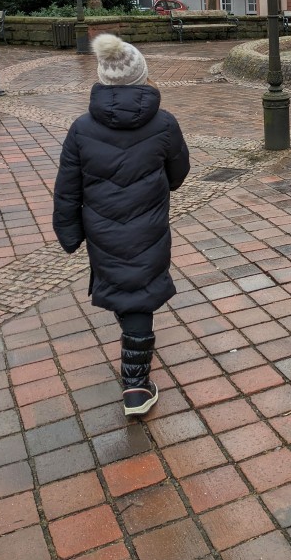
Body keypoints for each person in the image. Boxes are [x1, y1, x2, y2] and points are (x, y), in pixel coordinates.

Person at [53, 34, 190, 416]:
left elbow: (67, 187)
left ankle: (134, 362)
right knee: (139, 294)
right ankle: (136, 387)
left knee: (124, 289)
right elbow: (179, 173)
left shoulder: (81, 128)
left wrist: (69, 233)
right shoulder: (164, 124)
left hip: (103, 229)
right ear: (142, 76)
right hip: (148, 226)